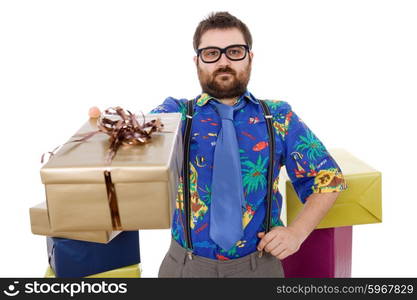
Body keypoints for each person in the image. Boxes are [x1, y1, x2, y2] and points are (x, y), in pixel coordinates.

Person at [89, 11, 348, 278]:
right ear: (197, 61)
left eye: (234, 51)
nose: (224, 61)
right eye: (212, 53)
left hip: (259, 267)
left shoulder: (278, 117)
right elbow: (138, 149)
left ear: (250, 57)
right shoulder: (175, 113)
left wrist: (297, 233)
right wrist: (106, 130)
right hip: (184, 268)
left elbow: (328, 178)